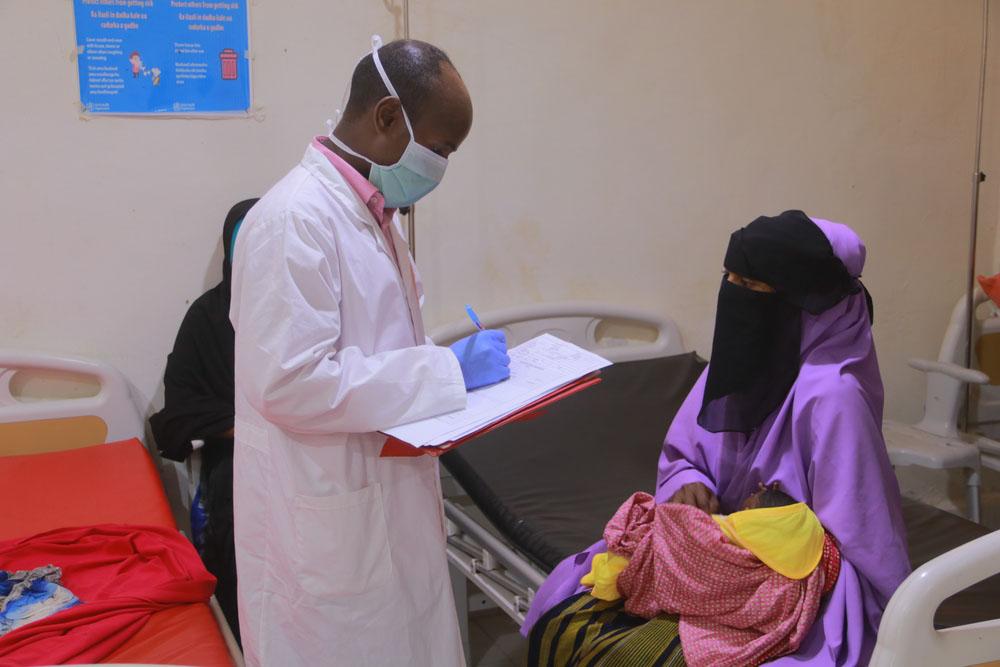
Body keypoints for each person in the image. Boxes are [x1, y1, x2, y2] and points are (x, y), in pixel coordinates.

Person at [229, 37, 509, 666]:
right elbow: (289, 382)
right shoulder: (292, 221)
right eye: (438, 149)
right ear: (387, 118)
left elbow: (374, 351)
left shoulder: (372, 213)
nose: (439, 166)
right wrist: (443, 371)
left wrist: (442, 370)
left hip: (382, 498)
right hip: (327, 525)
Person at [523, 211, 910, 666]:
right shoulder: (737, 363)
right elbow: (684, 456)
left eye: (753, 287)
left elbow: (863, 542)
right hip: (713, 550)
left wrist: (774, 532)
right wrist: (689, 482)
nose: (734, 296)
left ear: (804, 302)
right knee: (567, 599)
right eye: (729, 278)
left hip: (793, 580)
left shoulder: (832, 397)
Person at [572, 484, 838, 667]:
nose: (738, 512)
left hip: (662, 571)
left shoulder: (742, 537)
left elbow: (681, 526)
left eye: (746, 509)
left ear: (757, 516)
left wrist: (674, 522)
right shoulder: (808, 551)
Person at [150, 198, 257, 643]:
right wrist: (253, 430)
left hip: (313, 452)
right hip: (239, 459)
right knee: (237, 530)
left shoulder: (318, 307)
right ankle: (246, 639)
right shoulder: (208, 317)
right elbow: (179, 413)